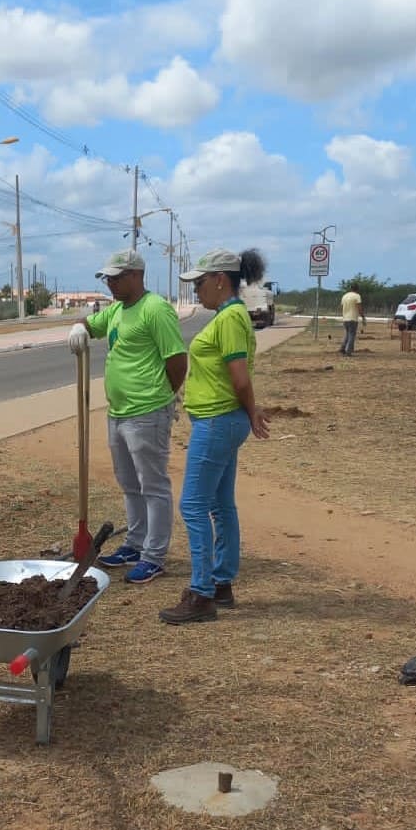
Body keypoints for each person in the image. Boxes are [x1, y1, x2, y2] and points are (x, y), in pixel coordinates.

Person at [159, 248, 271, 625]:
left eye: (200, 283)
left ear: (220, 280)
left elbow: (240, 376)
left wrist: (252, 412)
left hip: (218, 421)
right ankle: (220, 583)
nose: (196, 291)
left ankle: (202, 593)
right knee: (220, 504)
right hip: (221, 419)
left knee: (192, 505)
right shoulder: (231, 316)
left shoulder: (230, 319)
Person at [67, 250, 187, 585]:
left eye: (116, 277)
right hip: (118, 413)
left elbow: (177, 360)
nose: (110, 283)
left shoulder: (156, 309)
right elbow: (89, 325)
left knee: (153, 485)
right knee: (129, 483)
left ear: (136, 274)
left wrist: (163, 396)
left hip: (147, 412)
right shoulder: (117, 310)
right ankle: (134, 544)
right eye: (107, 278)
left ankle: (154, 555)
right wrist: (78, 328)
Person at [340, 287, 364, 356]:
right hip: (353, 318)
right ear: (357, 289)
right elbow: (359, 307)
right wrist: (362, 316)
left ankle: (343, 348)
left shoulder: (345, 296)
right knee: (352, 335)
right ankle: (348, 351)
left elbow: (342, 307)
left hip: (345, 318)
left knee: (347, 334)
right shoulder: (357, 296)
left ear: (351, 289)